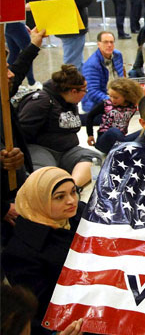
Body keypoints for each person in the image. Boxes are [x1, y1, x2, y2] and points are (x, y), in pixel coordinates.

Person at [2, 167, 85, 335]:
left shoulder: (78, 216)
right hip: (71, 322)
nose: (71, 201)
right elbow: (35, 311)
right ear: (39, 200)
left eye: (73, 192)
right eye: (59, 197)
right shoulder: (20, 252)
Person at [18, 65, 99, 186]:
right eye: (84, 90)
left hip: (66, 150)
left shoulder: (70, 102)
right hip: (41, 148)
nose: (85, 94)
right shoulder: (41, 101)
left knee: (93, 158)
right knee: (44, 173)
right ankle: (56, 189)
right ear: (73, 91)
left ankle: (72, 187)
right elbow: (21, 133)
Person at [1, 27, 46, 237]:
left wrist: (34, 44)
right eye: (3, 67)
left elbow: (17, 72)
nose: (10, 73)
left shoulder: (3, 92)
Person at [42, 0, 95, 71]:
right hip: (73, 28)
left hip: (64, 26)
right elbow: (84, 0)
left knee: (74, 60)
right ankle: (73, 86)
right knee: (73, 64)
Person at [85, 78, 144, 154]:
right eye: (110, 96)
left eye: (116, 97)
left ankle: (126, 146)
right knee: (114, 131)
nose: (112, 99)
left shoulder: (132, 107)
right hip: (104, 141)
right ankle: (127, 147)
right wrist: (90, 135)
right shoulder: (106, 104)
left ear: (126, 96)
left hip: (120, 140)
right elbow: (90, 116)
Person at [81, 31, 124, 113]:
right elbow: (92, 92)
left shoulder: (117, 55)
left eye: (111, 42)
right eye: (105, 42)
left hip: (115, 96)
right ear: (98, 44)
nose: (109, 45)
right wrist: (113, 101)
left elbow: (121, 79)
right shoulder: (92, 65)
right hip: (96, 105)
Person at [5, 22, 40, 90]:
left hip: (9, 24)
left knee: (14, 53)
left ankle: (11, 82)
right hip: (15, 23)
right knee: (27, 53)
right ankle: (32, 83)